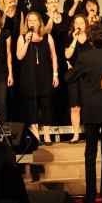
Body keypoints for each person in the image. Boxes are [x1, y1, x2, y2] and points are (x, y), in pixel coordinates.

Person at [65, 24, 102, 203]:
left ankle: (91, 195)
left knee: (90, 152)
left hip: (91, 110)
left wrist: (71, 68)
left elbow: (69, 78)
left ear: (91, 39)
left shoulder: (85, 57)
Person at [16, 12, 59, 145]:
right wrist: (27, 42)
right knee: (32, 105)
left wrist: (55, 74)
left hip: (45, 74)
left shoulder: (47, 37)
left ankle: (46, 135)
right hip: (29, 76)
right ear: (27, 23)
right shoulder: (22, 38)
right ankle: (36, 134)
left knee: (46, 104)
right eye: (30, 21)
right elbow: (19, 56)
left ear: (40, 22)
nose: (32, 23)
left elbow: (54, 56)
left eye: (35, 20)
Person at [42, 0, 71, 125]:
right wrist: (51, 18)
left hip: (64, 57)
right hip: (50, 58)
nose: (53, 4)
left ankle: (64, 121)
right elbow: (45, 32)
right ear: (46, 4)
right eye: (50, 2)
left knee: (65, 89)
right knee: (52, 89)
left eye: (55, 1)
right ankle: (52, 121)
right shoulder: (43, 17)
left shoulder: (65, 17)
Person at [65, 15, 92, 143]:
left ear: (86, 24)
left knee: (88, 105)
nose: (79, 25)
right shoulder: (70, 37)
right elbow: (67, 55)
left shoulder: (91, 38)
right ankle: (76, 134)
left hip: (89, 75)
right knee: (75, 107)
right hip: (74, 74)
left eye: (81, 22)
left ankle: (90, 133)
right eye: (76, 23)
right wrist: (74, 40)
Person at [0, 0, 21, 122]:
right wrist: (5, 13)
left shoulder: (21, 13)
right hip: (4, 55)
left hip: (19, 53)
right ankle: (8, 121)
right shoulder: (0, 13)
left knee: (19, 88)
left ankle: (20, 120)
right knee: (6, 91)